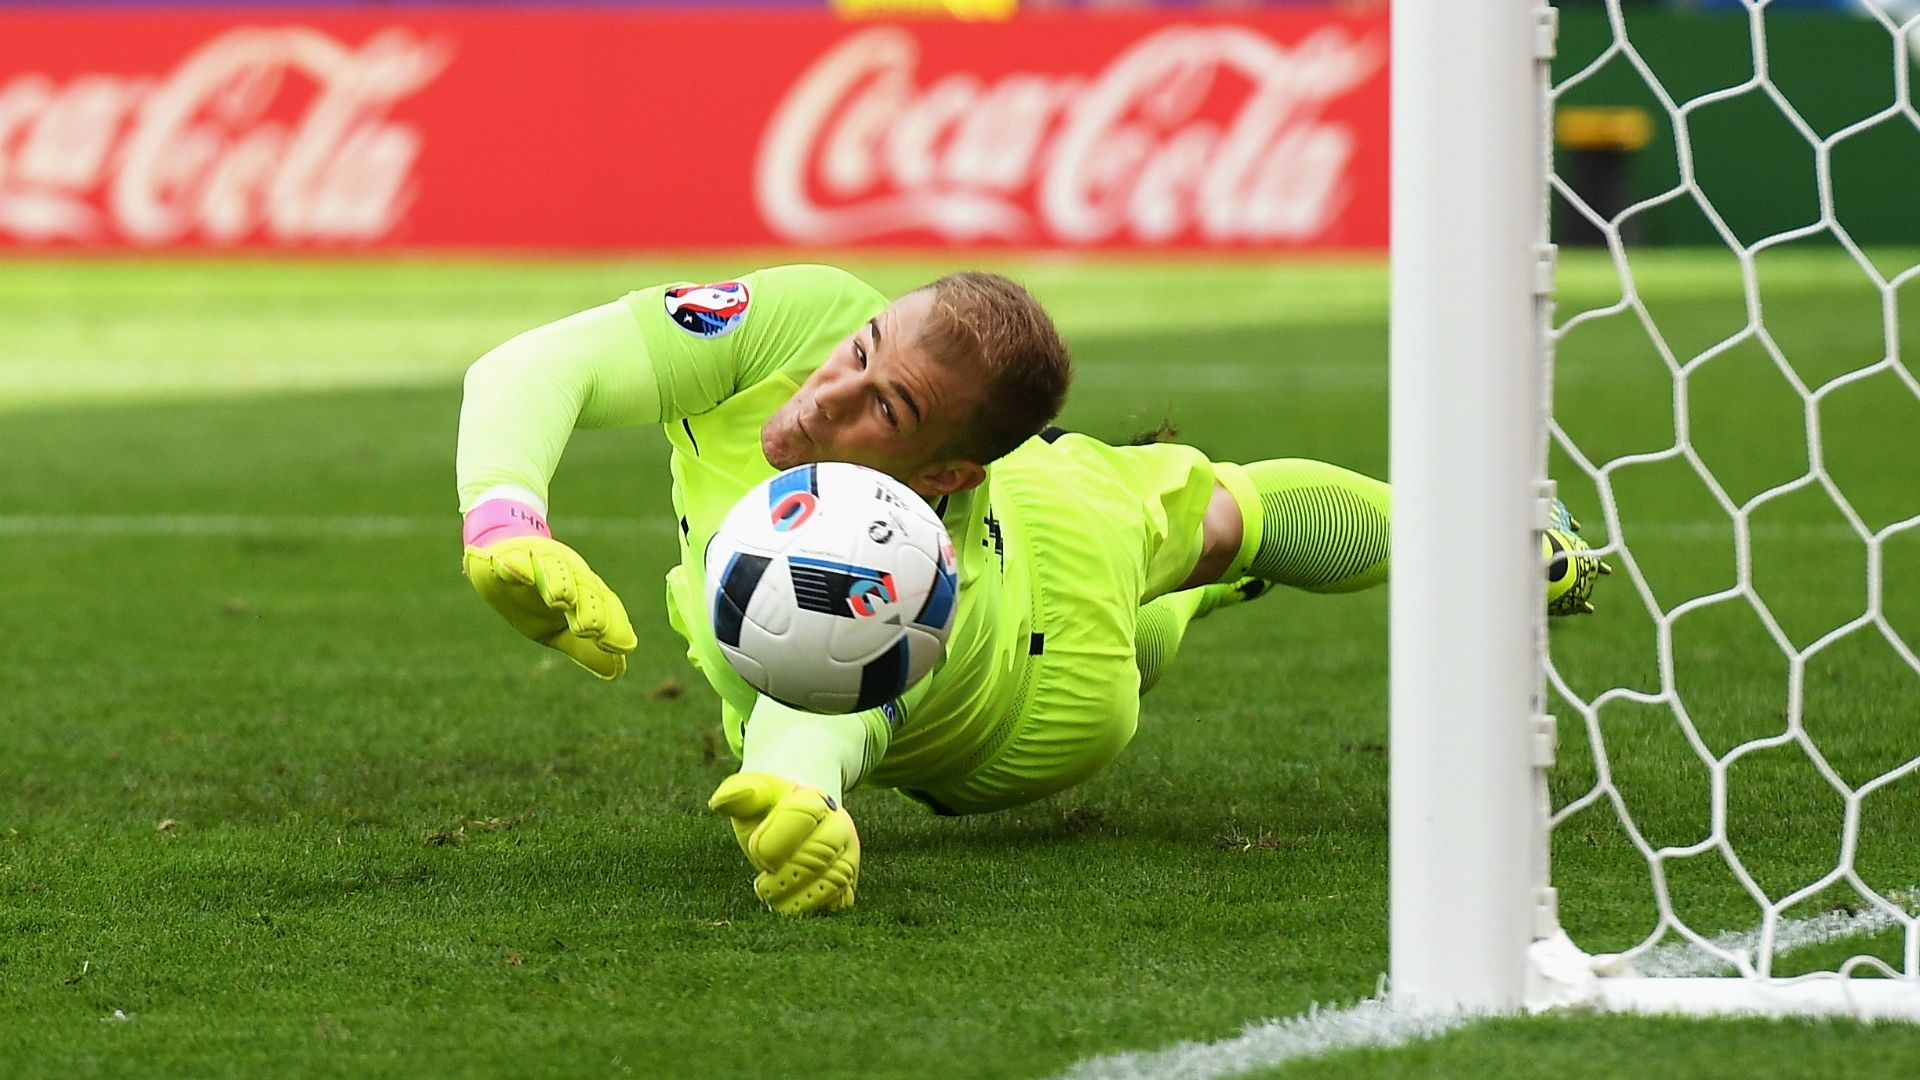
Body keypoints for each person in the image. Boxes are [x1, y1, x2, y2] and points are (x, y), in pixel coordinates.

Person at [455, 264, 1601, 915]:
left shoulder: (906, 555)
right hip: (1039, 508)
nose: (823, 405)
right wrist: (506, 516)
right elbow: (535, 364)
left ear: (944, 473)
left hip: (1040, 690)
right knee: (1190, 526)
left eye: (884, 412)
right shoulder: (801, 323)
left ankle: (1492, 544)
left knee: (1213, 530)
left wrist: (802, 795)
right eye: (861, 356)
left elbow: (823, 703)